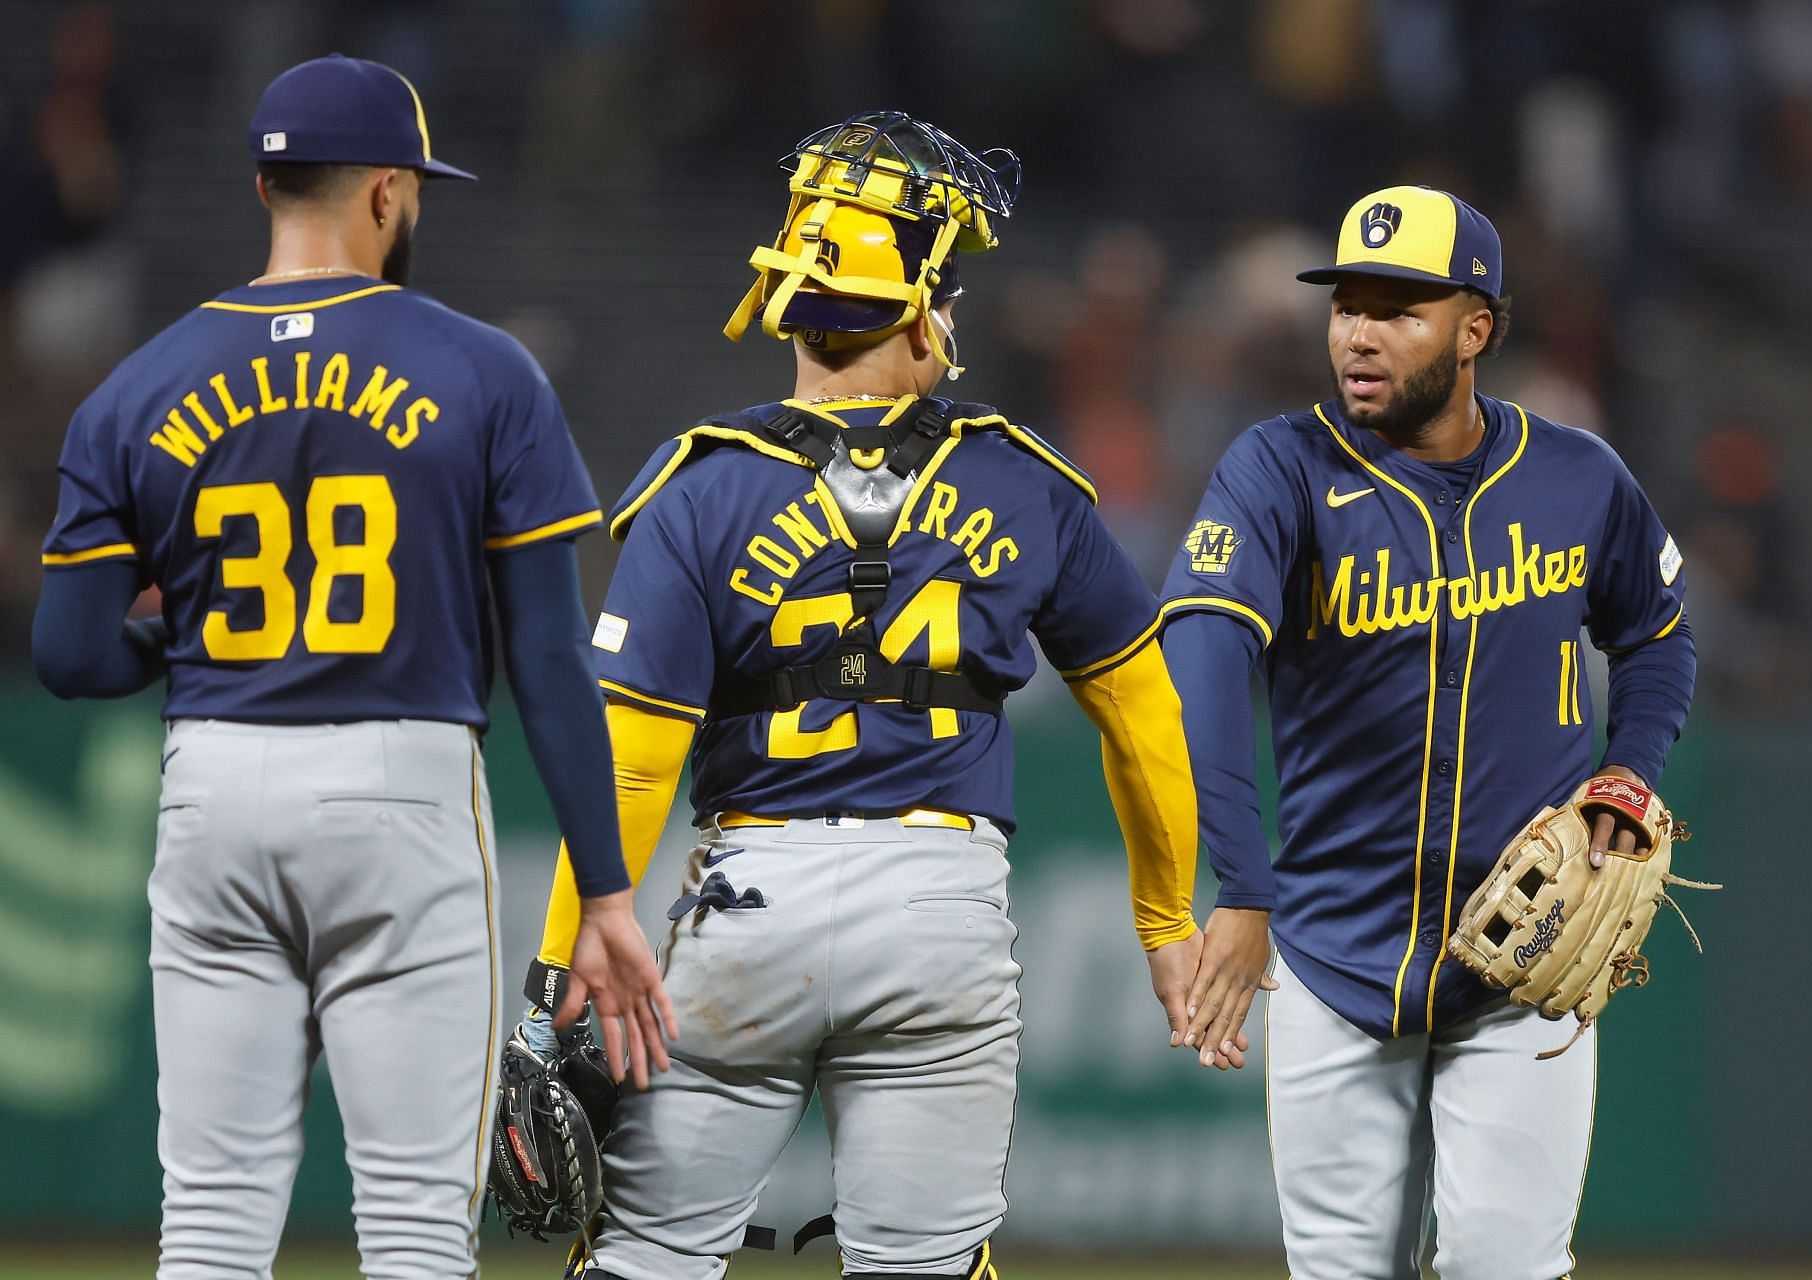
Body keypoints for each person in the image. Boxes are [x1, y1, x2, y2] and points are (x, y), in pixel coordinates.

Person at [512, 110, 1205, 1280]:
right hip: (942, 910)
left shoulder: (702, 485)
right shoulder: (1019, 477)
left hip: (750, 908)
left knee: (646, 1258)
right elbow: (1144, 713)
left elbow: (632, 757)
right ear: (920, 296)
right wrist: (1167, 918)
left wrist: (556, 971)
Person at [31, 54, 675, 1278]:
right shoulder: (486, 372)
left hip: (214, 783)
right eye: (415, 187)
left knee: (211, 1221)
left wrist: (185, 635)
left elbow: (66, 654)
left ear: (269, 188)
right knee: (416, 1226)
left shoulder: (133, 388)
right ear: (386, 191)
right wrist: (602, 890)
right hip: (402, 786)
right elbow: (546, 654)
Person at [1162, 185, 1696, 1278]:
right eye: (1348, 304)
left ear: (1475, 329)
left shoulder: (1579, 477)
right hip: (1331, 950)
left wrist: (1628, 775)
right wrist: (1245, 885)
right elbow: (1205, 652)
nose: (1359, 333)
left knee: (1505, 1267)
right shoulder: (1279, 468)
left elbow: (1657, 637)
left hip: (1521, 958)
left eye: (1400, 308)